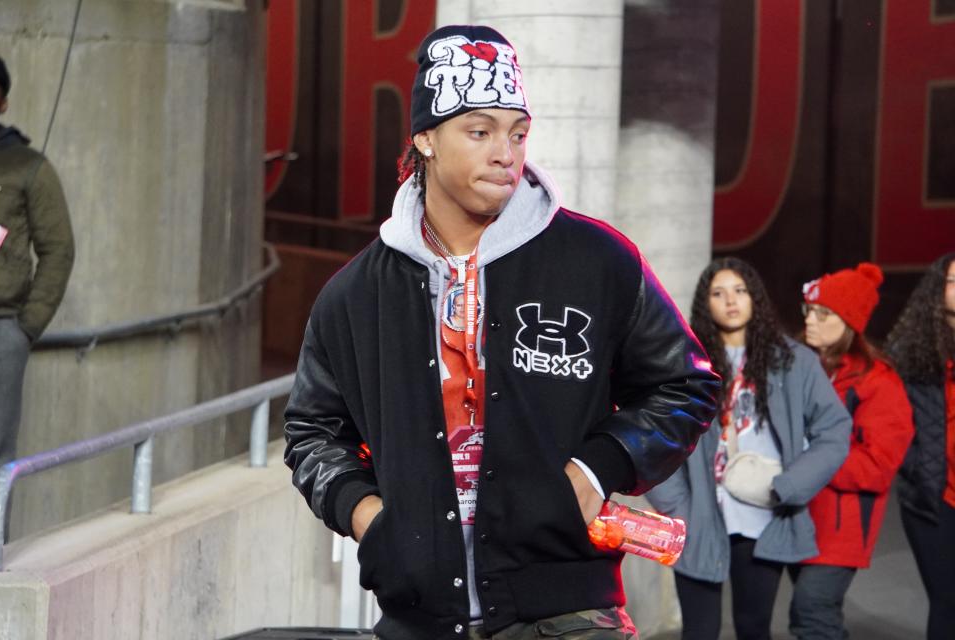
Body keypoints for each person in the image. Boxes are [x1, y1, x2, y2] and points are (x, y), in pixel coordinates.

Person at [283, 24, 719, 640]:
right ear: (426, 139)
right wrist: (369, 519)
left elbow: (686, 385)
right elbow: (310, 432)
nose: (505, 153)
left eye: (517, 132)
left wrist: (595, 471)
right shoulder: (354, 294)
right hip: (419, 618)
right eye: (480, 131)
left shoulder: (597, 260)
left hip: (568, 613)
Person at [647, 257, 851, 640]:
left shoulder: (795, 362)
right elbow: (656, 436)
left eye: (740, 290)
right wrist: (677, 507)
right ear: (704, 304)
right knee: (700, 631)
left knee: (754, 627)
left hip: (764, 518)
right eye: (718, 293)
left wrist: (788, 487)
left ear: (755, 298)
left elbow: (835, 430)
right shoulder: (682, 366)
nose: (731, 301)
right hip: (700, 519)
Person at [790, 263, 914, 639]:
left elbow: (877, 466)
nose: (811, 319)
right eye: (808, 309)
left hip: (840, 526)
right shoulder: (798, 366)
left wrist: (811, 458)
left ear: (849, 322)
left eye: (823, 313)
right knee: (818, 616)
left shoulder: (878, 382)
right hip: (796, 515)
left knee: (812, 613)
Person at [0, 54, 75, 475]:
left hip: (1, 328)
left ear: (3, 100)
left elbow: (58, 249)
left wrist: (24, 328)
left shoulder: (29, 166)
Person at [885, 252, 955, 640]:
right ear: (935, 290)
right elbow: (892, 426)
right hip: (934, 500)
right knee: (946, 602)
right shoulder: (913, 355)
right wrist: (915, 468)